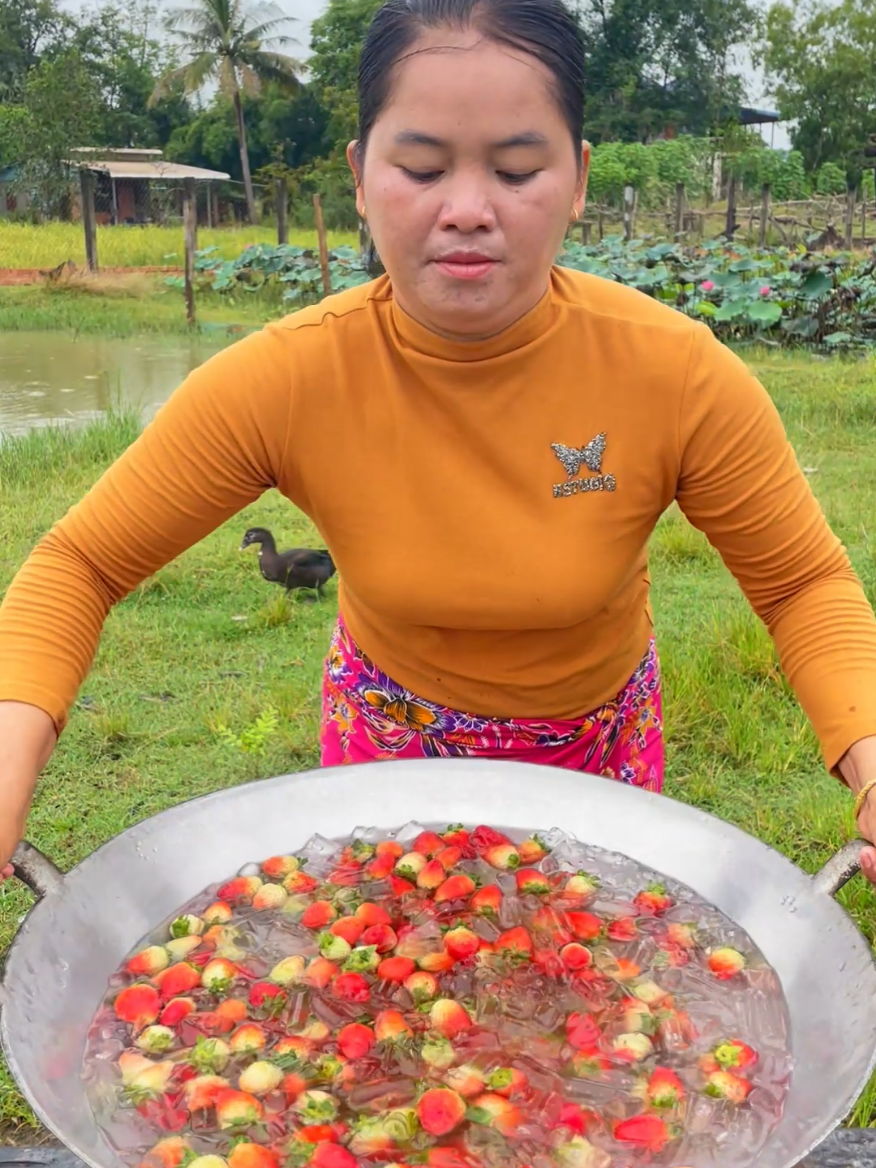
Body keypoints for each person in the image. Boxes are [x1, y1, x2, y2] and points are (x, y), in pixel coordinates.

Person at [1, 0, 876, 883]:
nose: (466, 209)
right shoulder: (288, 379)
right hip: (382, 759)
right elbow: (81, 564)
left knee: (588, 1001)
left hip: (598, 767)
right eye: (420, 169)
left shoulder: (675, 372)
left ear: (577, 178)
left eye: (517, 169)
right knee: (386, 1001)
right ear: (359, 174)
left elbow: (803, 583)